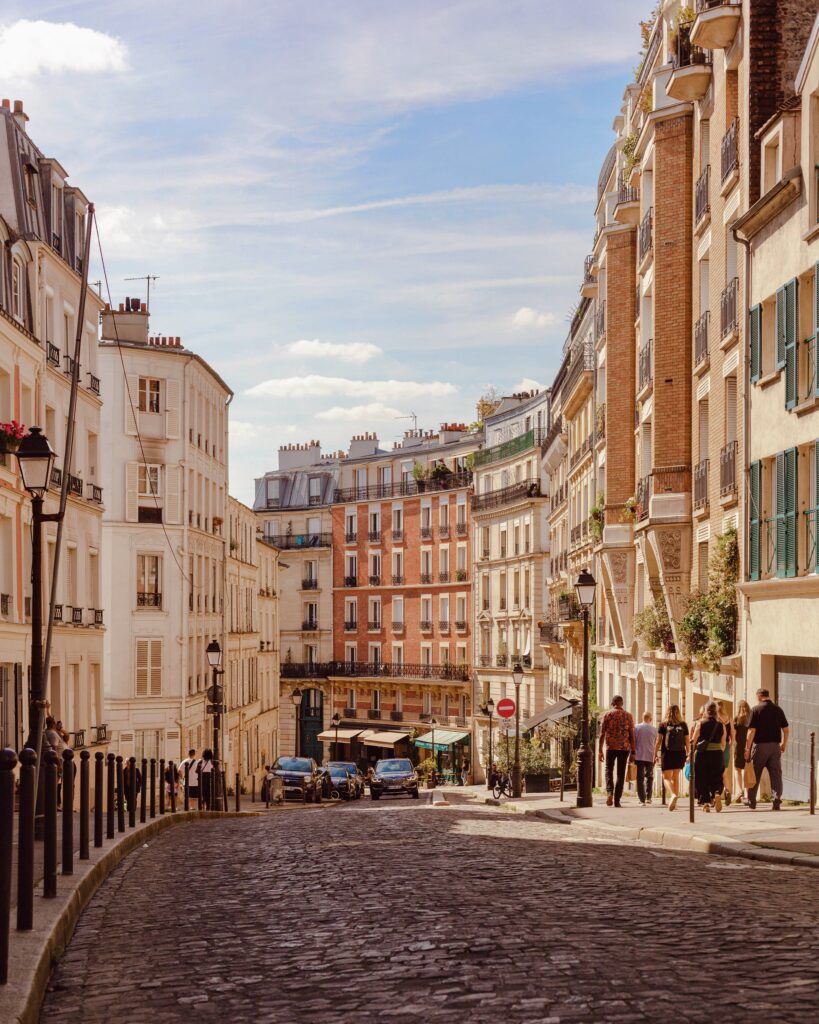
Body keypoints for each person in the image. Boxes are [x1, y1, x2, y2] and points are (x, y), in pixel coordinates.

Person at [745, 688, 789, 810]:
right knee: (776, 774)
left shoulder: (756, 709)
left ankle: (751, 800)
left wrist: (747, 748)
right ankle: (776, 801)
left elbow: (751, 731)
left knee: (755, 773)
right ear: (768, 696)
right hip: (775, 747)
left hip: (760, 746)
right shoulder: (778, 709)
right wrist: (783, 743)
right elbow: (786, 729)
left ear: (759, 696)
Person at [598, 695, 635, 808]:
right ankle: (617, 800)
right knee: (620, 773)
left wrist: (600, 750)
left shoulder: (607, 715)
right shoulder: (628, 716)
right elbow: (631, 735)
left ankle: (610, 792)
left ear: (612, 703)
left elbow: (602, 734)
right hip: (624, 748)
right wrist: (633, 752)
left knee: (609, 770)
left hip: (610, 747)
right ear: (622, 704)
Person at [690, 701, 726, 811]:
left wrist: (691, 752)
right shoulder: (721, 725)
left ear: (706, 711)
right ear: (716, 712)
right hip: (717, 754)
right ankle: (716, 793)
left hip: (703, 755)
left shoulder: (700, 724)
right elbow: (723, 742)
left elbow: (693, 740)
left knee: (702, 778)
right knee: (717, 776)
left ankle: (705, 803)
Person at [655, 705, 689, 812]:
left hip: (668, 753)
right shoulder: (683, 725)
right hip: (680, 754)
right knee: (676, 777)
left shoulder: (663, 724)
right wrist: (688, 754)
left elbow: (659, 741)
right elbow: (687, 742)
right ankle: (676, 802)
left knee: (666, 778)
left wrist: (655, 753)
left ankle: (673, 795)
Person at [633, 712, 658, 806]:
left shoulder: (636, 727)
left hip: (639, 755)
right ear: (650, 719)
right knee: (649, 777)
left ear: (642, 717)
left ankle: (641, 799)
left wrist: (632, 753)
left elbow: (634, 741)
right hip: (650, 755)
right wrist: (656, 755)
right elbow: (656, 743)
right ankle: (648, 797)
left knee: (640, 778)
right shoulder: (654, 729)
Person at [732, 700, 752, 804]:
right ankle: (748, 794)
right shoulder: (751, 719)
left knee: (737, 769)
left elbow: (734, 735)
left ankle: (739, 790)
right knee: (747, 769)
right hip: (748, 746)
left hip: (739, 746)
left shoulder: (736, 719)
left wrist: (734, 745)